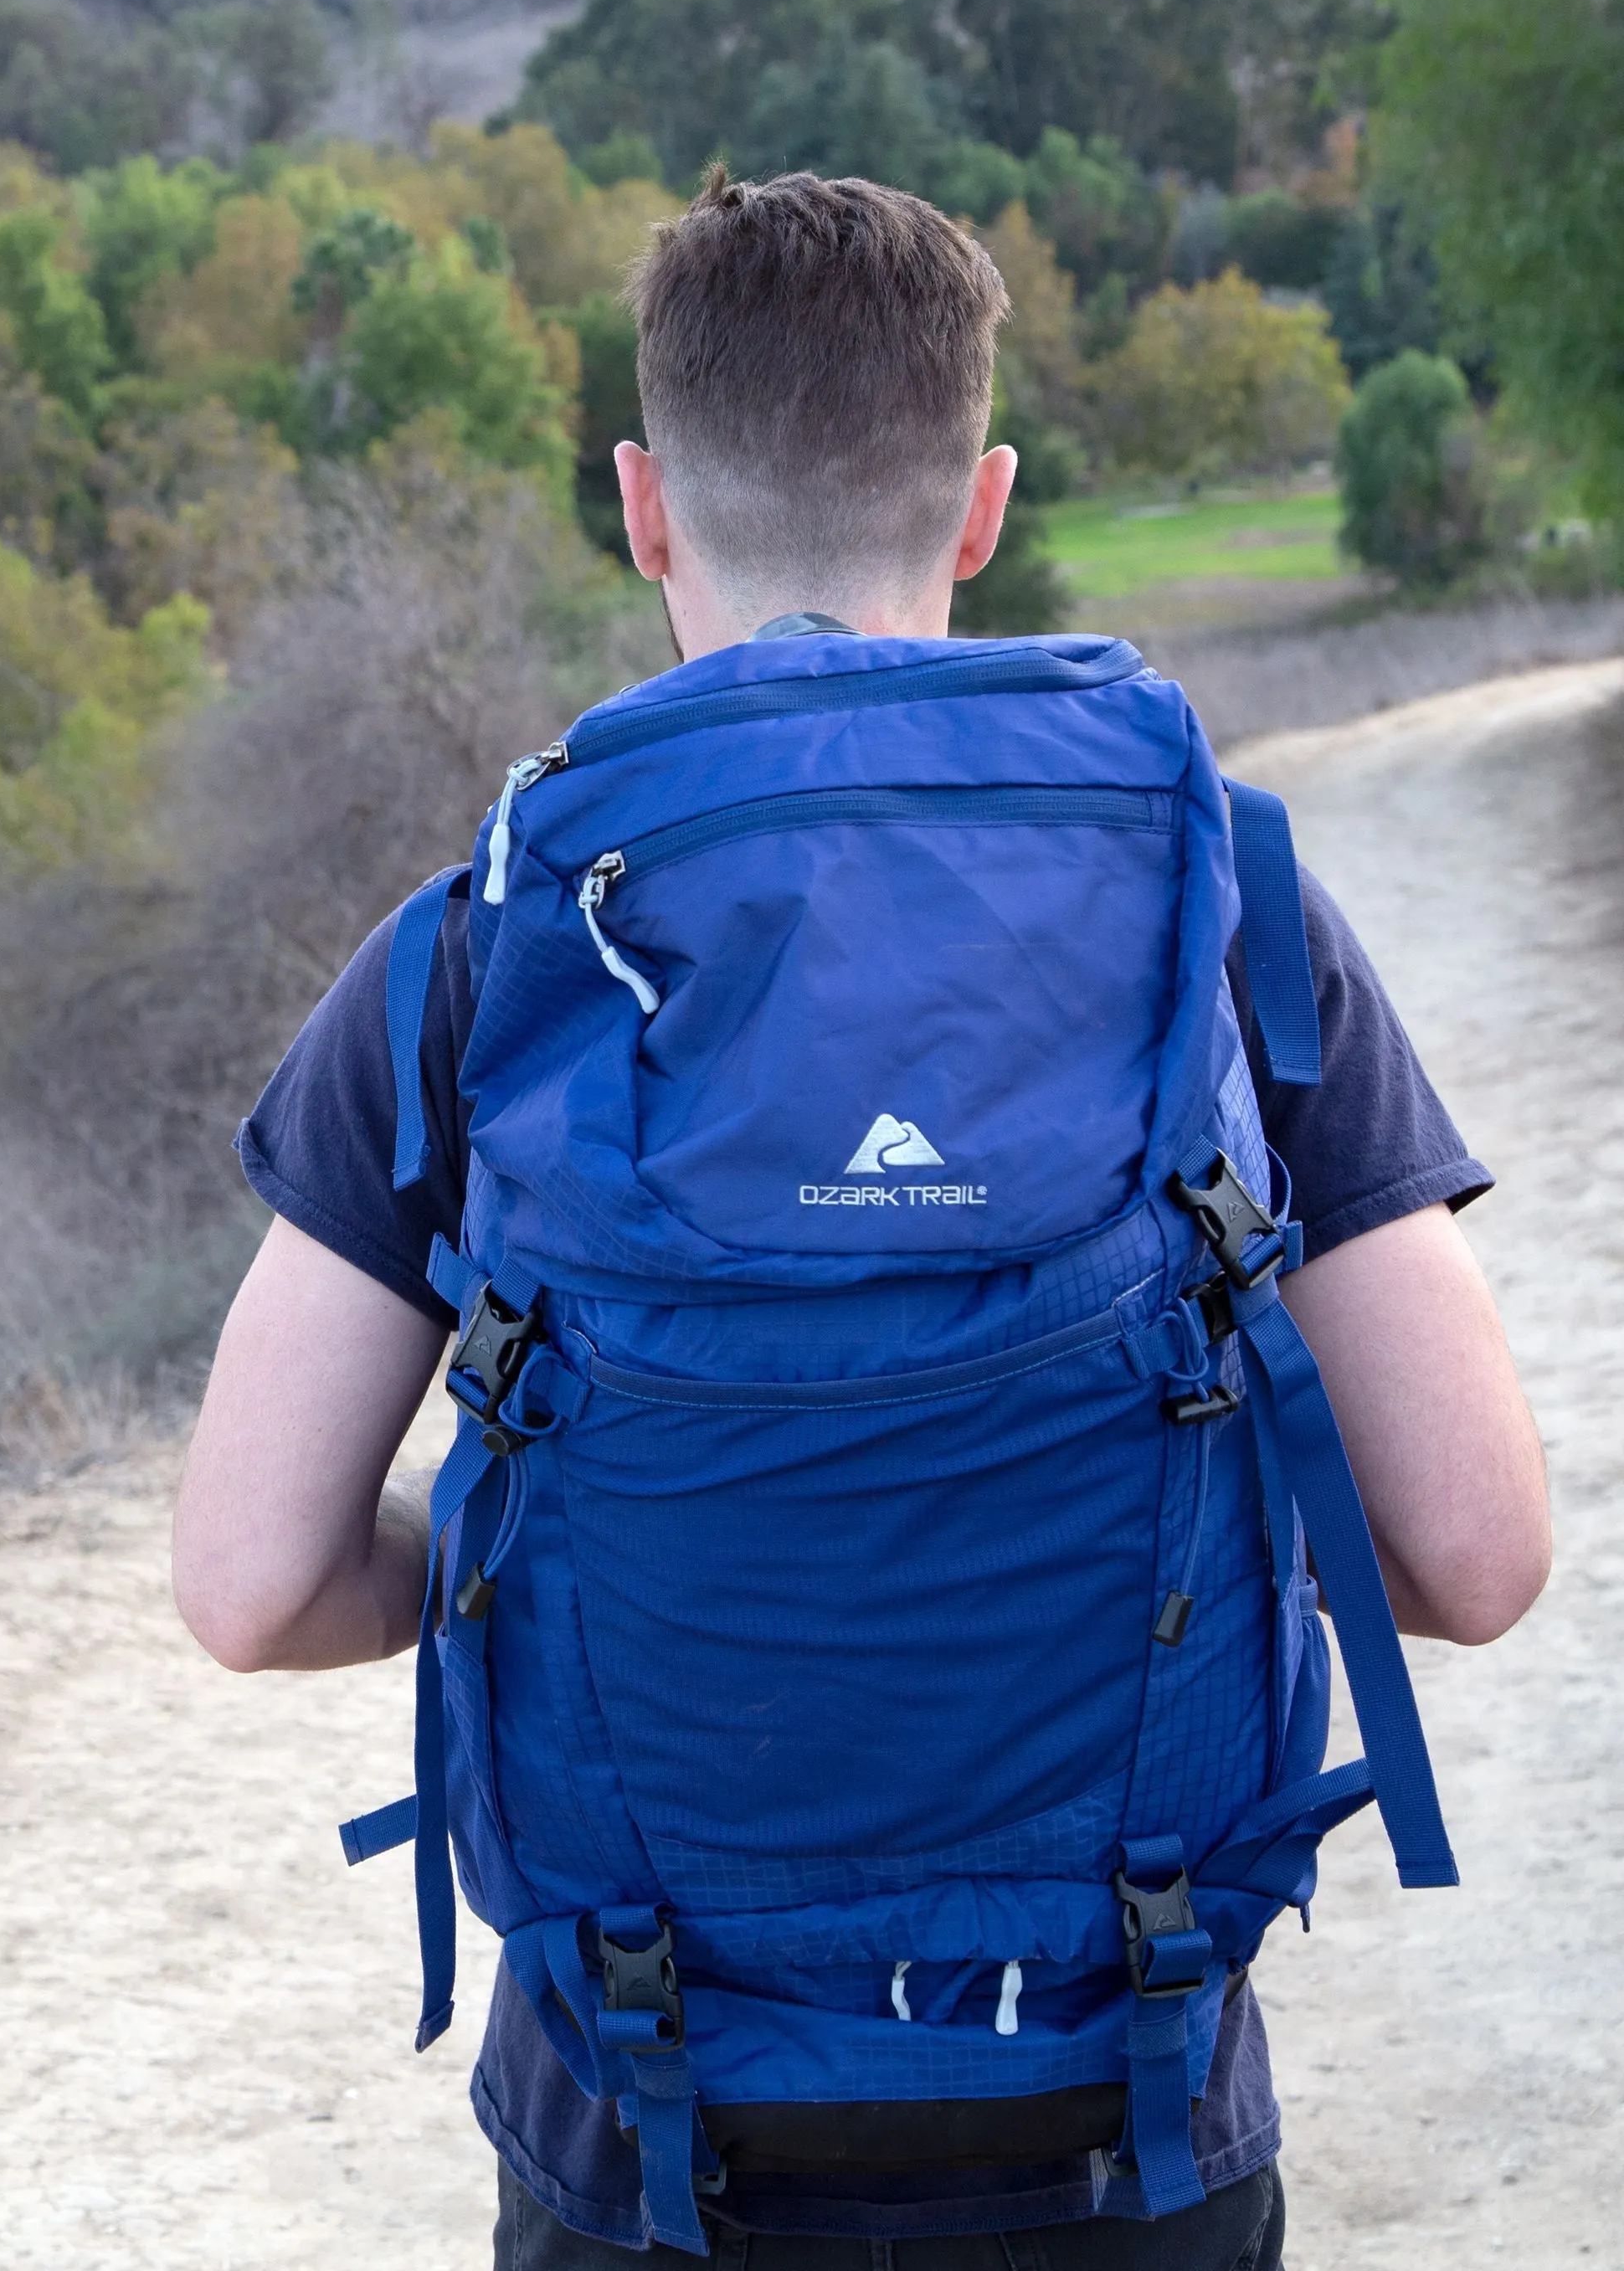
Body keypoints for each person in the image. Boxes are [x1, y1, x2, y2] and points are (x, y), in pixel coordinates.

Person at [172, 171, 1552, 2267]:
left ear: (643, 505)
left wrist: (529, 1547)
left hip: (651, 2127)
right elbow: (1473, 1549)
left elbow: (255, 1584)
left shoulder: (482, 949)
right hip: (1125, 2111)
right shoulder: (1228, 901)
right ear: (982, 504)